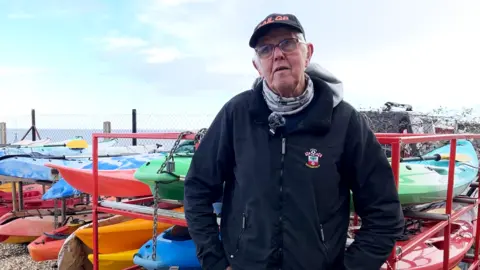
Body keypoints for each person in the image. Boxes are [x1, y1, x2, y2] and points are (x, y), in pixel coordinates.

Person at [184, 13, 405, 270]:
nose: (277, 55)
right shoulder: (236, 114)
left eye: (287, 43)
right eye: (265, 49)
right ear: (258, 66)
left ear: (307, 53)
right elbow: (197, 187)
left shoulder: (345, 121)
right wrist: (217, 262)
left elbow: (385, 211)